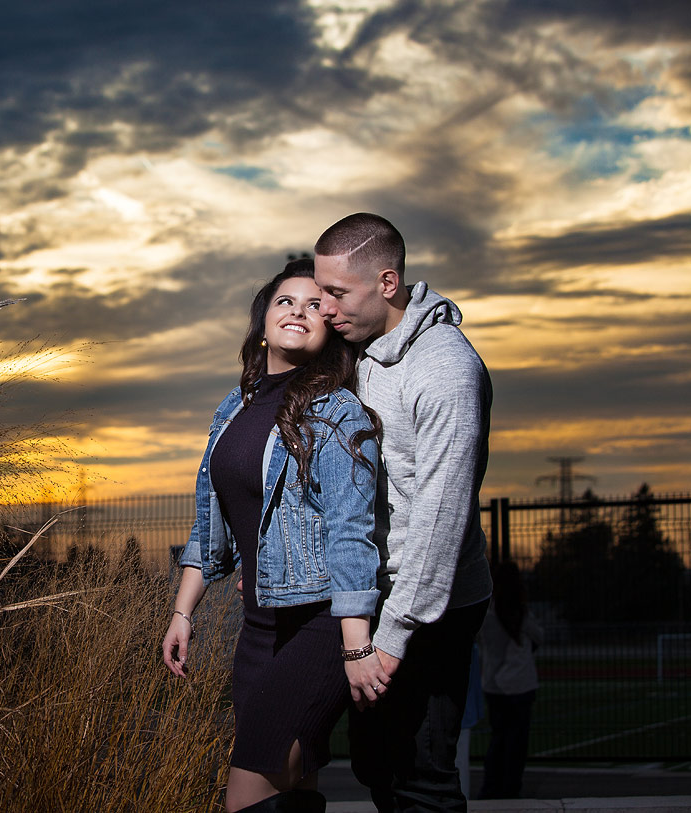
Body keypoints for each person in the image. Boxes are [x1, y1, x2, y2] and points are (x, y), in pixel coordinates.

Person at [162, 259, 388, 813]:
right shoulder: (233, 408)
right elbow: (211, 520)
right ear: (263, 321)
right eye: (287, 300)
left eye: (316, 306)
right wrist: (183, 611)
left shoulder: (339, 414)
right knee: (294, 781)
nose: (300, 312)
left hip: (318, 623)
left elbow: (350, 533)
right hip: (258, 627)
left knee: (251, 785)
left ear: (328, 332)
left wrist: (355, 644)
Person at [313, 213, 493, 813]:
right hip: (378, 592)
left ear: (387, 283)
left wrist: (390, 641)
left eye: (337, 293)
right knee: (374, 765)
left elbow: (443, 521)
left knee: (422, 785)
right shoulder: (358, 351)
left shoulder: (444, 370)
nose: (326, 308)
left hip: (430, 607)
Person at [478, 560, 543, 799]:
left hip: (494, 684)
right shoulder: (522, 613)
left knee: (498, 739)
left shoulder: (488, 612)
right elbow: (539, 636)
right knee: (517, 743)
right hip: (521, 684)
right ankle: (511, 787)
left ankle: (491, 787)